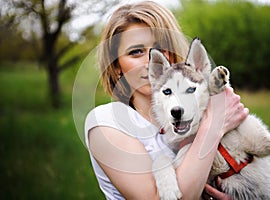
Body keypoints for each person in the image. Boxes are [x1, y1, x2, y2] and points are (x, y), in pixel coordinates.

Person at [84, 1, 249, 199]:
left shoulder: (199, 109)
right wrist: (214, 125)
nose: (150, 62)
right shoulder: (106, 122)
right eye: (136, 52)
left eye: (160, 49)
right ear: (116, 66)